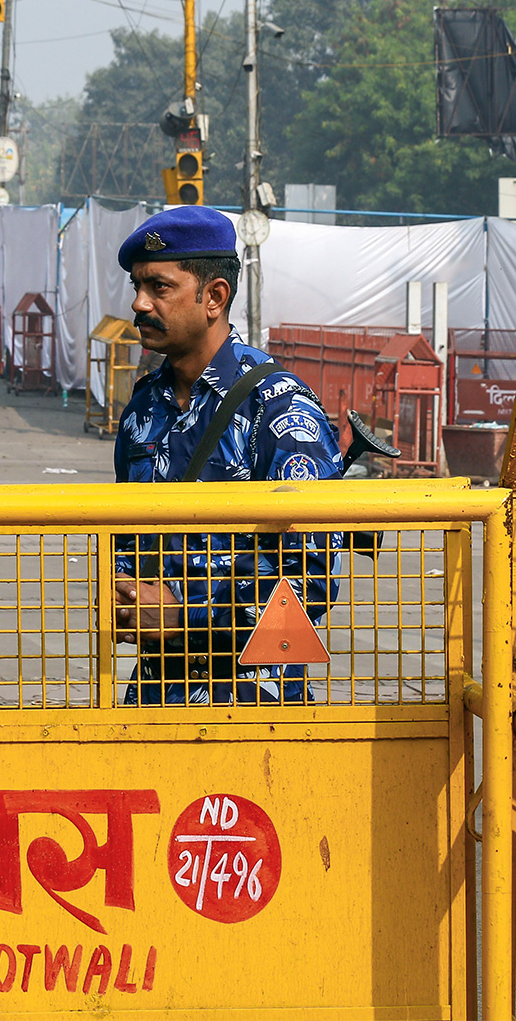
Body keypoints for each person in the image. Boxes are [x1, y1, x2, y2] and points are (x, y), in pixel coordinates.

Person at [111, 205, 344, 705]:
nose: (139, 303)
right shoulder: (142, 408)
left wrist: (183, 614)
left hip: (249, 706)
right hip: (151, 697)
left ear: (214, 296)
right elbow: (129, 542)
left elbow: (313, 576)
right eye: (137, 286)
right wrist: (127, 597)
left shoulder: (278, 405)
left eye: (159, 287)